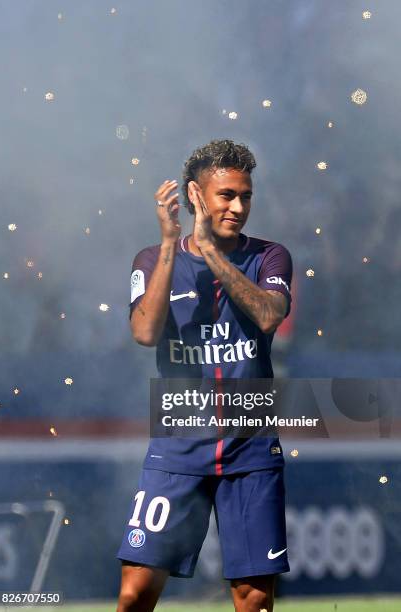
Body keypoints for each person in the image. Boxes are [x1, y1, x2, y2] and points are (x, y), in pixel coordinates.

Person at [117, 139, 293, 612]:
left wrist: (212, 250)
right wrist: (175, 243)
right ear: (196, 195)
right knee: (135, 594)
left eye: (246, 196)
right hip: (178, 437)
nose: (239, 207)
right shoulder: (152, 259)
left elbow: (267, 316)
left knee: (252, 599)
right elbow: (145, 333)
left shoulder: (269, 256)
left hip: (251, 442)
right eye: (227, 195)